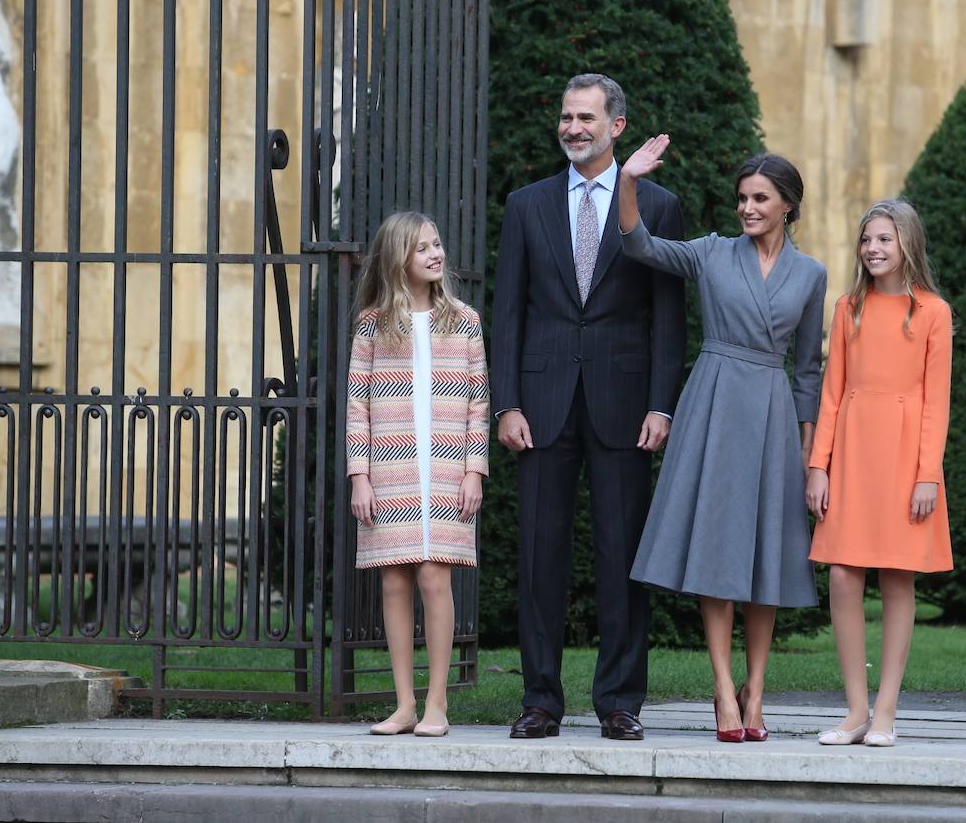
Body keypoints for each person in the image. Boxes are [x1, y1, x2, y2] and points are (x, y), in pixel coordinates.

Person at [491, 74, 686, 741]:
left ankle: (620, 701)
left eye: (586, 118)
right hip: (541, 404)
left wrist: (662, 404)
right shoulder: (526, 205)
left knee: (622, 556)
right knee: (539, 558)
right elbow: (508, 312)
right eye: (567, 116)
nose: (573, 127)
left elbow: (668, 317)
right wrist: (506, 402)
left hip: (625, 404)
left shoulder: (658, 206)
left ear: (616, 127)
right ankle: (540, 700)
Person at [618, 136, 827, 743]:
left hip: (772, 415)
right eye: (742, 198)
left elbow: (808, 369)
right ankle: (721, 685)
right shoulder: (711, 252)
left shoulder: (811, 274)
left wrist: (810, 448)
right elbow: (639, 244)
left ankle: (755, 690)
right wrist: (628, 181)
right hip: (713, 404)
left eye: (760, 198)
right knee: (717, 550)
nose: (747, 208)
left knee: (766, 553)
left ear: (787, 205)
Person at [806, 199, 953, 748]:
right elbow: (832, 393)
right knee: (843, 575)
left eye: (885, 239)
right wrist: (818, 466)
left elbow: (936, 401)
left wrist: (927, 475)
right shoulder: (849, 308)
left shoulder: (933, 312)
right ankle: (854, 711)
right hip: (852, 451)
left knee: (896, 575)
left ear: (907, 243)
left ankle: (886, 711)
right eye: (867, 239)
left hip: (905, 456)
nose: (873, 248)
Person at [346, 211, 490, 738]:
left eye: (437, 244)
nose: (436, 254)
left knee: (434, 575)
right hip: (392, 469)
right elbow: (357, 405)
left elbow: (478, 402)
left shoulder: (464, 321)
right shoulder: (373, 325)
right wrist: (359, 476)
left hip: (448, 469)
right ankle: (404, 703)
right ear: (397, 259)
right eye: (422, 248)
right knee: (394, 579)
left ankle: (437, 702)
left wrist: (474, 470)